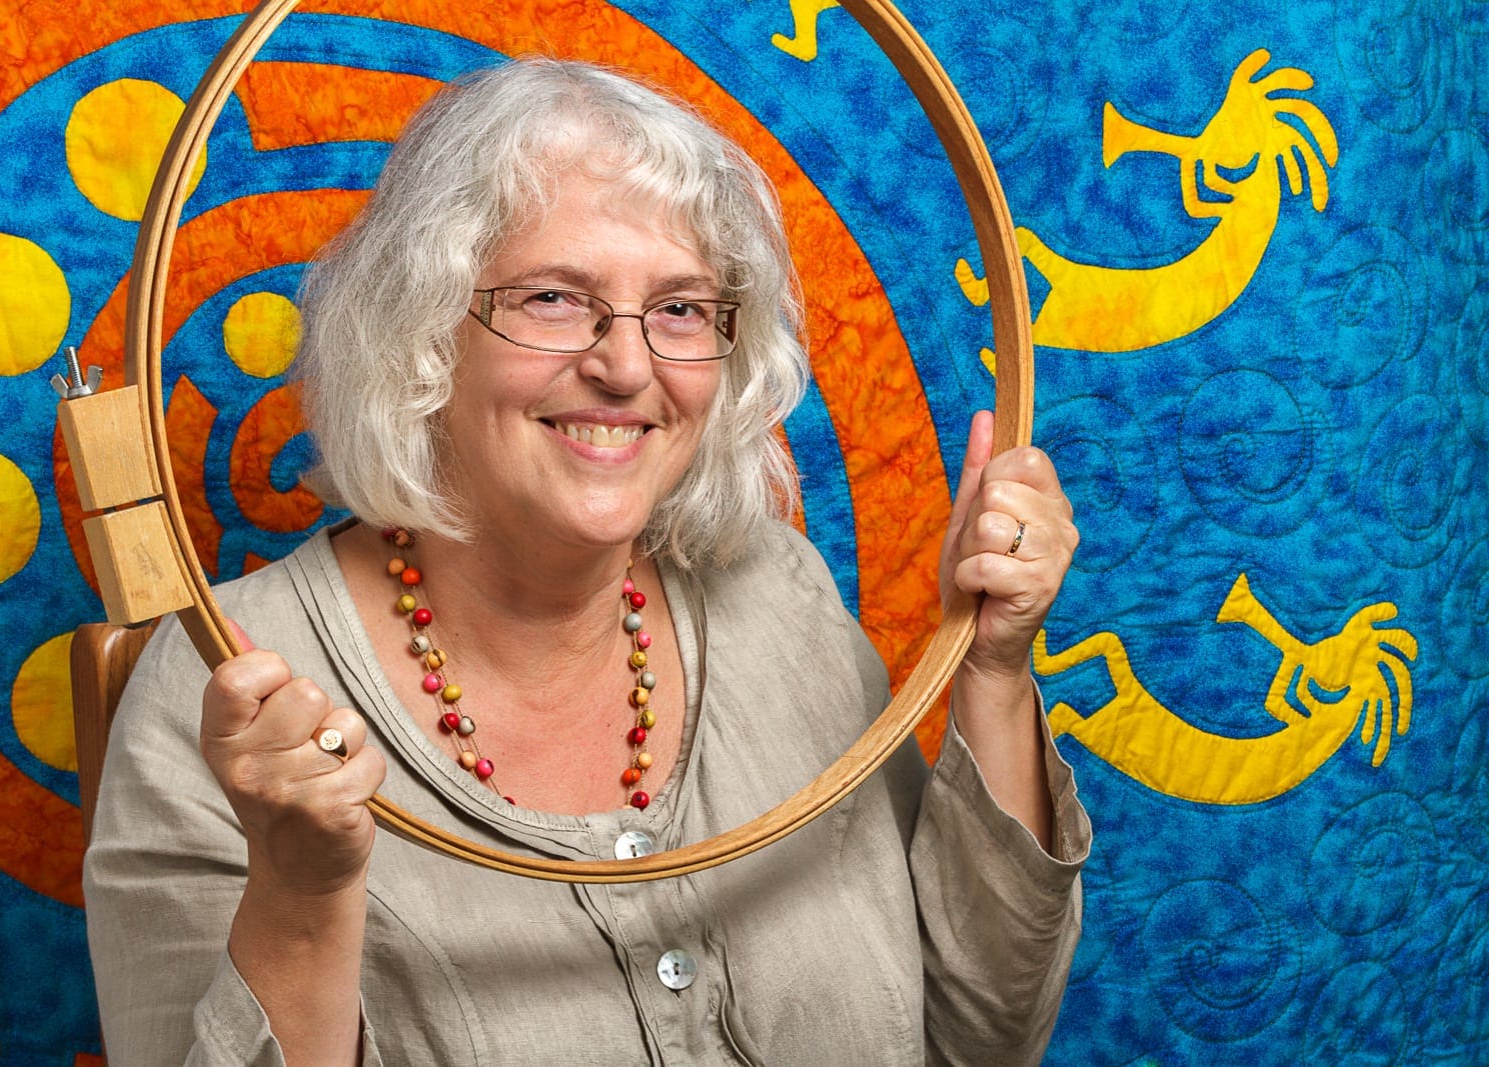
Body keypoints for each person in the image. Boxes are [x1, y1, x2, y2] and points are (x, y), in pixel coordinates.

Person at [84, 57, 1088, 1066]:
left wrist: (993, 670)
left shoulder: (776, 596)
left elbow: (982, 1038)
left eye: (682, 308)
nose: (625, 364)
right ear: (420, 331)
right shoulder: (229, 690)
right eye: (556, 297)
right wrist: (302, 895)